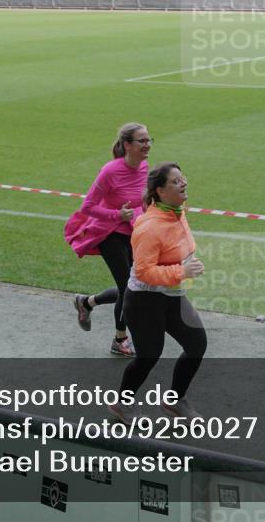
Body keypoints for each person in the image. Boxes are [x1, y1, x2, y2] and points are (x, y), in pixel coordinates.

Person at [108, 162, 207, 422]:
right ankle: (122, 404)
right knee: (149, 356)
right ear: (161, 191)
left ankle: (175, 401)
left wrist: (186, 265)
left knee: (197, 344)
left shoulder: (176, 211)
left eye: (182, 178)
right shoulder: (149, 227)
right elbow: (143, 271)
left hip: (172, 295)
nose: (183, 183)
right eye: (175, 181)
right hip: (144, 301)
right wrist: (181, 271)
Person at [65, 123, 152, 357]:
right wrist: (117, 215)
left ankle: (87, 302)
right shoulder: (110, 171)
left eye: (148, 140)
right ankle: (119, 339)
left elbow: (140, 199)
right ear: (127, 145)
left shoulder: (144, 167)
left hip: (131, 232)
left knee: (138, 284)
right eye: (141, 141)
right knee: (129, 287)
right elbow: (88, 206)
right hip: (107, 232)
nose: (147, 145)